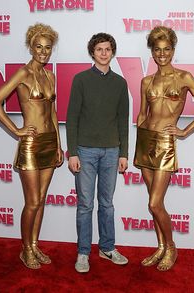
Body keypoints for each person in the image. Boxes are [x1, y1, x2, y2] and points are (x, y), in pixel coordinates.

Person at [134, 26, 194, 271]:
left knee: (155, 204)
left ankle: (171, 246)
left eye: (167, 49)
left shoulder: (184, 77)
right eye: (157, 50)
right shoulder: (146, 81)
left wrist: (185, 131)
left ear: (173, 50)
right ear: (152, 52)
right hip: (146, 142)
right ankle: (160, 247)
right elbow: (141, 114)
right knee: (152, 201)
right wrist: (140, 125)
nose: (162, 54)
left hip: (166, 143)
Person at [0, 23, 64, 269]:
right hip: (31, 144)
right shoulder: (23, 74)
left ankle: (33, 245)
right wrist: (17, 130)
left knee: (41, 199)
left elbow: (52, 111)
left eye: (47, 48)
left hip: (50, 141)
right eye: (38, 47)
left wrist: (59, 144)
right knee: (32, 202)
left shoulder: (50, 75)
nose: (43, 52)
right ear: (30, 47)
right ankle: (24, 249)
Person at [66, 33, 129, 273]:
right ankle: (83, 252)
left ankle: (107, 248)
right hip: (85, 151)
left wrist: (124, 153)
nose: (104, 53)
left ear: (112, 52)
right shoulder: (80, 80)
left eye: (108, 49)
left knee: (107, 204)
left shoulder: (120, 83)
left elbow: (123, 120)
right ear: (92, 52)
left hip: (112, 152)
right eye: (99, 49)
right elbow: (72, 118)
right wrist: (73, 152)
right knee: (85, 205)